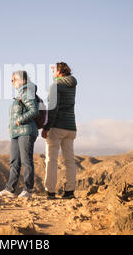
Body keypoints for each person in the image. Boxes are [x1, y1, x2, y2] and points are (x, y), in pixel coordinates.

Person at [0, 70, 39, 199]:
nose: (12, 82)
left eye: (13, 79)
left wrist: (20, 120)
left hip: (26, 131)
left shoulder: (27, 92)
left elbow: (34, 111)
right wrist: (11, 127)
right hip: (16, 133)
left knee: (26, 161)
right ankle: (10, 189)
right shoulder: (21, 93)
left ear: (21, 80)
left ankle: (28, 190)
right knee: (14, 161)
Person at [42, 62, 77, 199]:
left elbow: (53, 109)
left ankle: (50, 191)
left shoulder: (56, 85)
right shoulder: (72, 85)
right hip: (71, 127)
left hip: (57, 127)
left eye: (53, 72)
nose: (52, 75)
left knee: (51, 160)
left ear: (59, 72)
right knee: (69, 160)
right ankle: (70, 191)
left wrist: (46, 127)